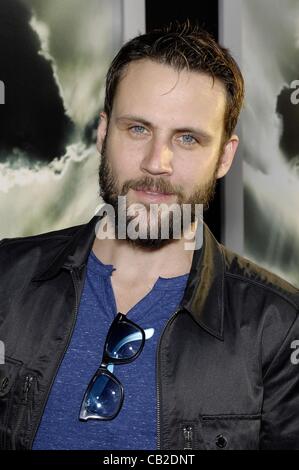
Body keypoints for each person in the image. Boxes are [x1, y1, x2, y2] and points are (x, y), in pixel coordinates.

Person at [1, 21, 299, 451]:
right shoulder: (6, 278)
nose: (157, 162)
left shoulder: (279, 328)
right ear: (104, 134)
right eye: (138, 128)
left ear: (224, 157)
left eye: (188, 138)